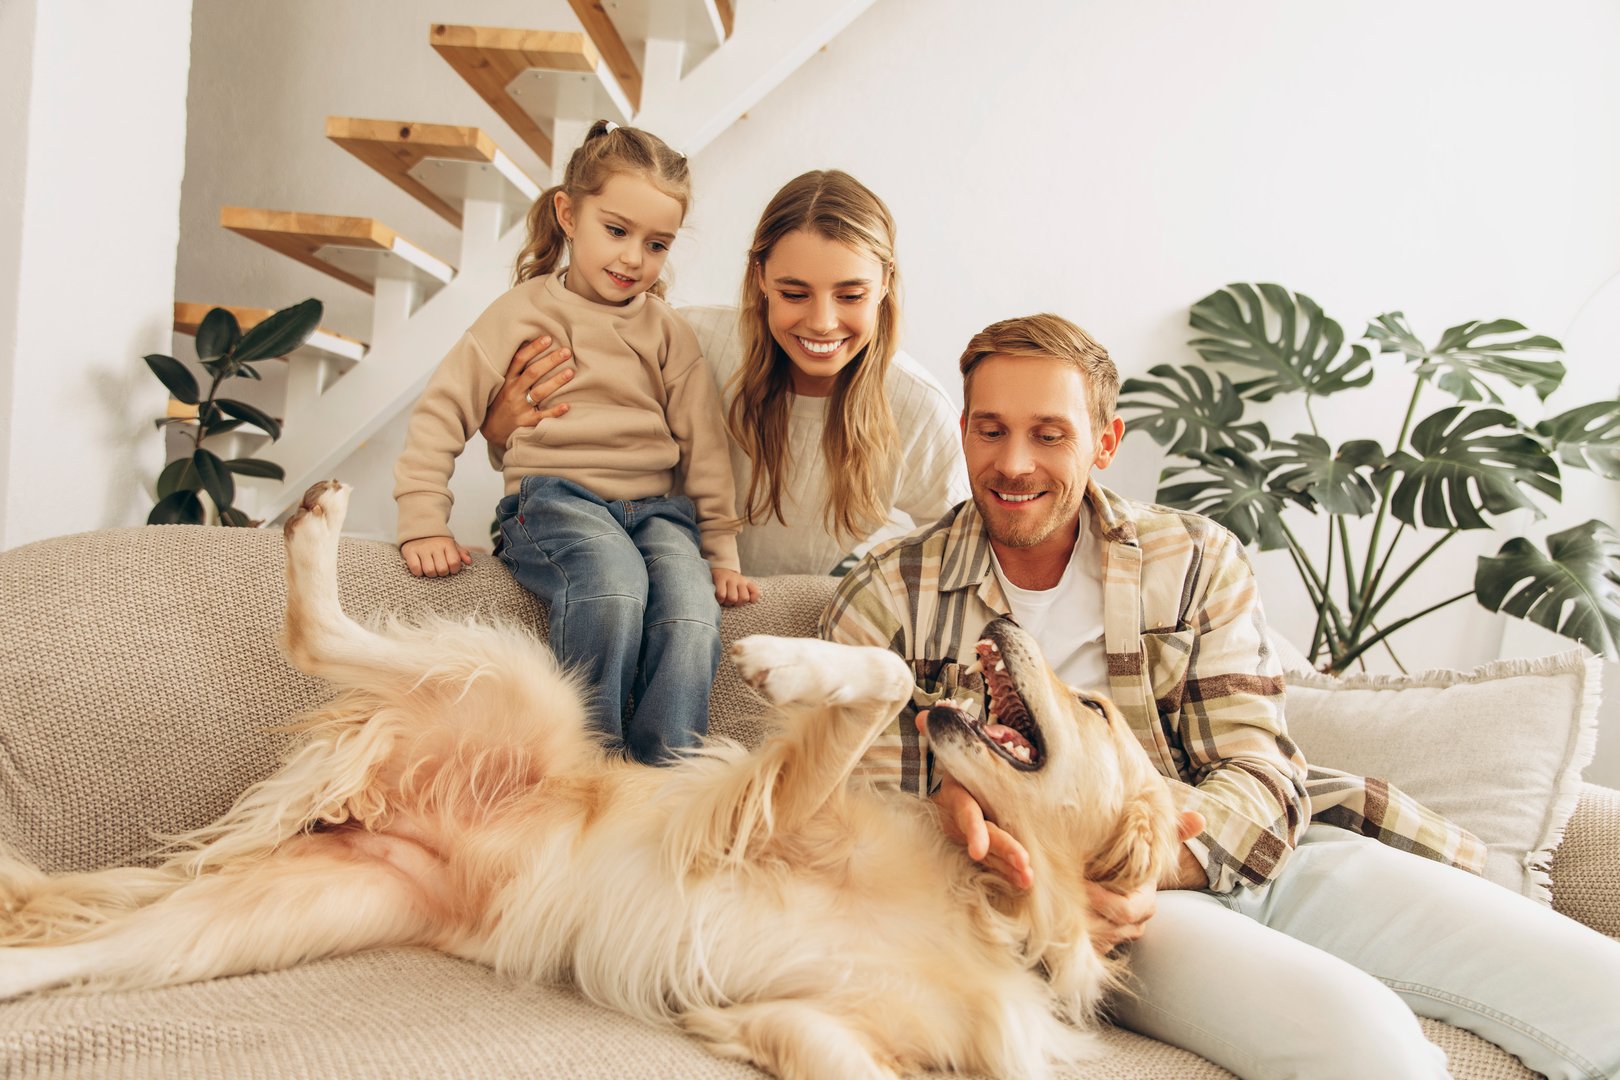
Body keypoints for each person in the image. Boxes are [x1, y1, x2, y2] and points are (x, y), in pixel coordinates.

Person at [821, 312, 1620, 1080]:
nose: (1015, 462)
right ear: (963, 431)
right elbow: (867, 823)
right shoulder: (889, 597)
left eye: (1049, 433)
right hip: (1112, 918)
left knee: (1602, 994)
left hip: (1261, 853)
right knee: (1367, 1048)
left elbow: (1257, 767)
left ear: (1104, 442)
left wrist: (1158, 857)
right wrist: (988, 843)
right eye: (990, 429)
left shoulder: (1194, 557)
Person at [392, 120, 756, 766]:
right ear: (568, 213)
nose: (632, 259)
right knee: (613, 587)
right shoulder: (520, 312)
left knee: (693, 612)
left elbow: (705, 450)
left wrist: (721, 552)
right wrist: (423, 521)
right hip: (554, 503)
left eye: (656, 244)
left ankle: (664, 787)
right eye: (617, 231)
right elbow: (444, 407)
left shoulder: (669, 334)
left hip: (657, 514)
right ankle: (582, 775)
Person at [479, 170, 969, 577]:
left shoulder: (917, 408)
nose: (822, 322)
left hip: (780, 604)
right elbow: (553, 445)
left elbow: (964, 544)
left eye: (851, 295)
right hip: (637, 563)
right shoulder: (690, 341)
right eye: (794, 294)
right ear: (760, 277)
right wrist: (501, 431)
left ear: (885, 281)